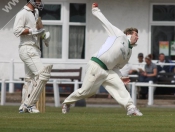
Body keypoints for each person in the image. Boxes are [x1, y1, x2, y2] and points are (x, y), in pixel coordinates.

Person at [62, 3, 143, 116]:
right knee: (87, 92)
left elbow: (116, 67)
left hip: (108, 72)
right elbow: (106, 22)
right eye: (135, 35)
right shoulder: (119, 35)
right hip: (96, 65)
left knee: (120, 86)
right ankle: (67, 103)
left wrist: (121, 77)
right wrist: (95, 10)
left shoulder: (129, 52)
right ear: (128, 34)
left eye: (138, 35)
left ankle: (131, 108)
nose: (137, 37)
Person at [13, 0, 52, 113]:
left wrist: (44, 36)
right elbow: (16, 31)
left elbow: (37, 30)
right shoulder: (22, 13)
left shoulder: (35, 13)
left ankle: (23, 107)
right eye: (38, 0)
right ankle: (30, 104)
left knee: (29, 80)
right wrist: (32, 30)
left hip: (34, 48)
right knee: (43, 75)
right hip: (27, 48)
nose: (40, 2)